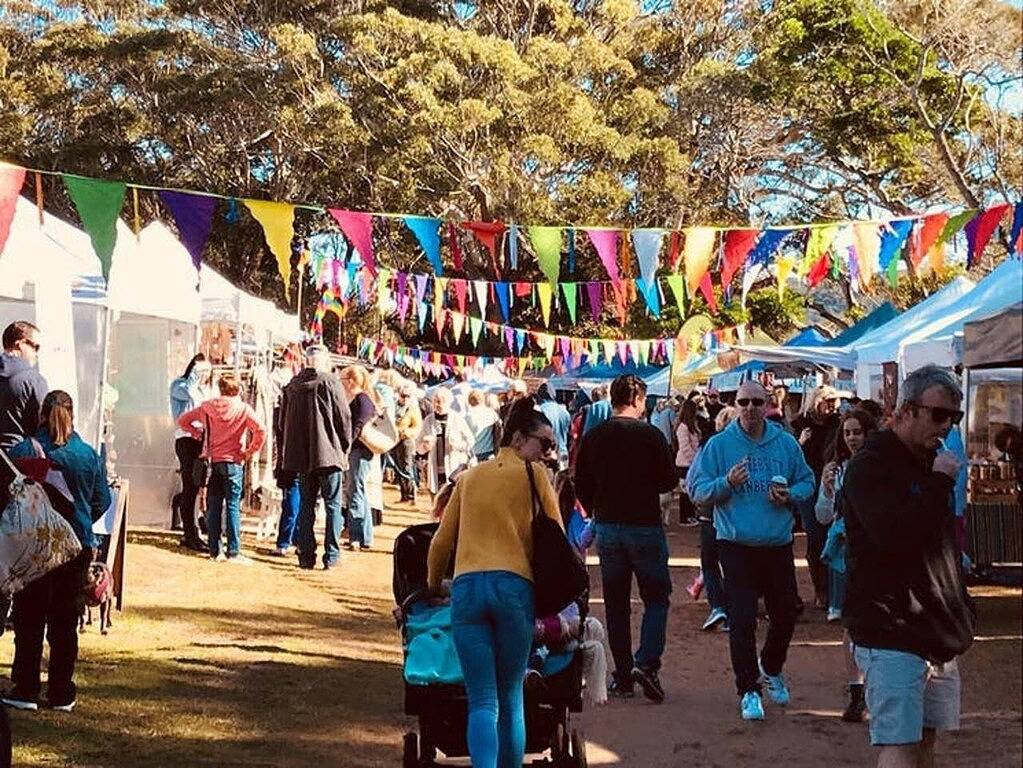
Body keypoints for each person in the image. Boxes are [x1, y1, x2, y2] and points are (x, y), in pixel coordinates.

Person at [842, 365, 974, 767]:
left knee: (925, 739)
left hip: (936, 627)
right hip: (889, 628)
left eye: (955, 417)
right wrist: (937, 484)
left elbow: (941, 544)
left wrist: (961, 603)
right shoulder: (871, 465)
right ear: (904, 412)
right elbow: (894, 535)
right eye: (937, 415)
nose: (946, 426)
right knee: (898, 743)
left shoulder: (935, 463)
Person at [426, 397, 562, 768]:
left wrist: (433, 584)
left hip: (468, 589)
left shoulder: (468, 479)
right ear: (518, 439)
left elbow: (441, 542)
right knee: (510, 695)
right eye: (544, 444)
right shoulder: (535, 476)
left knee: (481, 699)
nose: (548, 452)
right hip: (514, 587)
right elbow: (557, 533)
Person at [688, 380, 815, 721]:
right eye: (743, 401)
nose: (749, 408)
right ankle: (748, 690)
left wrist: (791, 495)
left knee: (786, 612)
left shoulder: (785, 444)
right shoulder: (719, 445)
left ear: (768, 405)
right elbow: (697, 491)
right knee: (741, 620)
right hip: (735, 545)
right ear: (735, 403)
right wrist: (726, 483)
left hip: (777, 544)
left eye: (757, 402)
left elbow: (807, 481)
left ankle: (771, 666)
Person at [3, 391, 110, 712]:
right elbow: (102, 500)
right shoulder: (88, 454)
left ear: (41, 416)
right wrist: (77, 523)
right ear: (73, 415)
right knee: (65, 621)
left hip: (34, 548)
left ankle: (25, 689)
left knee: (29, 617)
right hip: (75, 547)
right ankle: (62, 692)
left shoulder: (22, 450)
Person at [575, 374, 677, 703]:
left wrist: (596, 508)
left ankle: (623, 674)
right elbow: (667, 480)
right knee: (656, 598)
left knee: (616, 603)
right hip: (644, 525)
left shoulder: (594, 436)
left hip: (608, 526)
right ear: (637, 400)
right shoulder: (651, 435)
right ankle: (646, 663)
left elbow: (581, 484)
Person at [814, 408, 878, 723]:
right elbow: (822, 517)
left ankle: (875, 688)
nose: (852, 438)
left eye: (858, 432)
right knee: (850, 625)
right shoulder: (836, 470)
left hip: (876, 555)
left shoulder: (882, 467)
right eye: (848, 432)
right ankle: (856, 692)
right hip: (846, 555)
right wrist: (826, 491)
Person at [177, 373, 266, 563]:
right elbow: (260, 430)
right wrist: (250, 451)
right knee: (233, 505)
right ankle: (233, 551)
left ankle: (214, 550)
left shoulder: (207, 407)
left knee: (214, 505)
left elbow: (183, 420)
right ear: (238, 390)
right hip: (234, 460)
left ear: (220, 388)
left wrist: (197, 433)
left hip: (212, 461)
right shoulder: (243, 408)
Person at [279, 345, 352, 570]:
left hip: (302, 456)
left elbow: (282, 423)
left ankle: (306, 555)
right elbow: (344, 417)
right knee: (332, 505)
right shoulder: (331, 382)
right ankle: (331, 556)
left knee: (306, 505)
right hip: (328, 454)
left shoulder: (292, 386)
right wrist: (344, 445)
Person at [686, 404, 738, 631]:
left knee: (710, 562)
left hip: (710, 514)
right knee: (734, 563)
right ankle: (730, 607)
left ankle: (718, 607)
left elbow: (693, 481)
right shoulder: (741, 447)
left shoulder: (708, 445)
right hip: (735, 515)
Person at [792, 384, 842, 609]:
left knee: (834, 537)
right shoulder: (801, 425)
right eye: (827, 401)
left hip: (832, 484)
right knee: (815, 537)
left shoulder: (840, 425)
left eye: (834, 401)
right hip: (808, 487)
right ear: (816, 401)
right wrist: (800, 441)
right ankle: (821, 589)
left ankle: (834, 591)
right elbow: (791, 457)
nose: (832, 406)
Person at [169, 353, 213, 551]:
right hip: (185, 439)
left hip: (200, 440)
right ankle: (190, 532)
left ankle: (192, 530)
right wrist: (194, 375)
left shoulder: (203, 389)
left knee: (196, 486)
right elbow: (190, 395)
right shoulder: (179, 385)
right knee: (189, 486)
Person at [340, 365, 378, 551]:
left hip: (359, 451)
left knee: (355, 491)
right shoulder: (363, 399)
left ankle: (356, 535)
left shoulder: (362, 400)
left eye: (343, 380)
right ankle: (365, 536)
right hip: (359, 451)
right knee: (359, 492)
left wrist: (345, 447)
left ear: (351, 381)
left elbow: (358, 427)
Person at [0, 321, 47, 452]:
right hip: (18, 462)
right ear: (19, 344)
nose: (37, 354)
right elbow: (45, 428)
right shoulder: (34, 380)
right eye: (35, 347)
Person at [417, 388, 475, 495]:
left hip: (454, 467)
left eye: (439, 402)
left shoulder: (457, 419)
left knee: (452, 499)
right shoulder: (428, 420)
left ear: (448, 402)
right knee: (436, 501)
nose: (436, 405)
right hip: (435, 469)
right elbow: (418, 447)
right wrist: (424, 447)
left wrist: (457, 445)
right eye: (434, 401)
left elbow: (471, 441)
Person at [674, 399, 702, 527]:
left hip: (692, 462)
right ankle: (684, 517)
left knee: (690, 489)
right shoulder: (683, 427)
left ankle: (690, 514)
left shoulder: (692, 426)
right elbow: (685, 447)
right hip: (685, 463)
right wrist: (694, 460)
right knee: (685, 491)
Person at [394, 381, 423, 503]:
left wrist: (406, 432)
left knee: (407, 467)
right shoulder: (393, 407)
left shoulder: (413, 409)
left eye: (408, 396)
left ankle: (411, 495)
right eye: (403, 395)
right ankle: (403, 494)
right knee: (398, 468)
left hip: (407, 442)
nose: (405, 398)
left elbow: (417, 427)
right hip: (394, 441)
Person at [534, 383, 571, 467]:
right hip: (563, 453)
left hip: (546, 455)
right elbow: (569, 434)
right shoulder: (564, 411)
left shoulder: (539, 410)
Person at [465, 389, 501, 462]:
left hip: (472, 453)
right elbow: (499, 427)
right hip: (488, 452)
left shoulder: (466, 416)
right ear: (482, 399)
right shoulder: (491, 413)